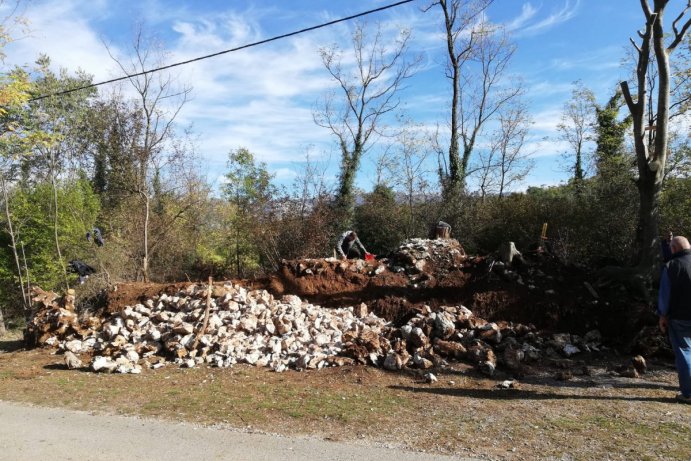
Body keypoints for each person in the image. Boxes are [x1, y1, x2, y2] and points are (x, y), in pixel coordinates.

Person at [657, 235, 691, 404]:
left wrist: (662, 315)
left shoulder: (671, 266)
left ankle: (688, 393)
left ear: (674, 249)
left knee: (685, 353)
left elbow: (665, 294)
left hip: (680, 317)